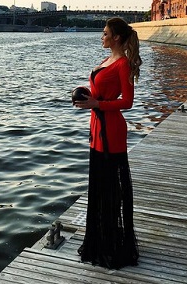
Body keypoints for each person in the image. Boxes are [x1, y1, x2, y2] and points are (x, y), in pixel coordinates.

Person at [73, 17, 142, 269]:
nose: (101, 37)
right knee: (99, 187)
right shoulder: (106, 61)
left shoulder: (123, 64)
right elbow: (102, 91)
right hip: (96, 128)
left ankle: (112, 245)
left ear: (116, 38)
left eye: (105, 33)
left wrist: (97, 104)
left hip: (111, 132)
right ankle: (100, 240)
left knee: (111, 189)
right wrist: (89, 97)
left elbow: (128, 101)